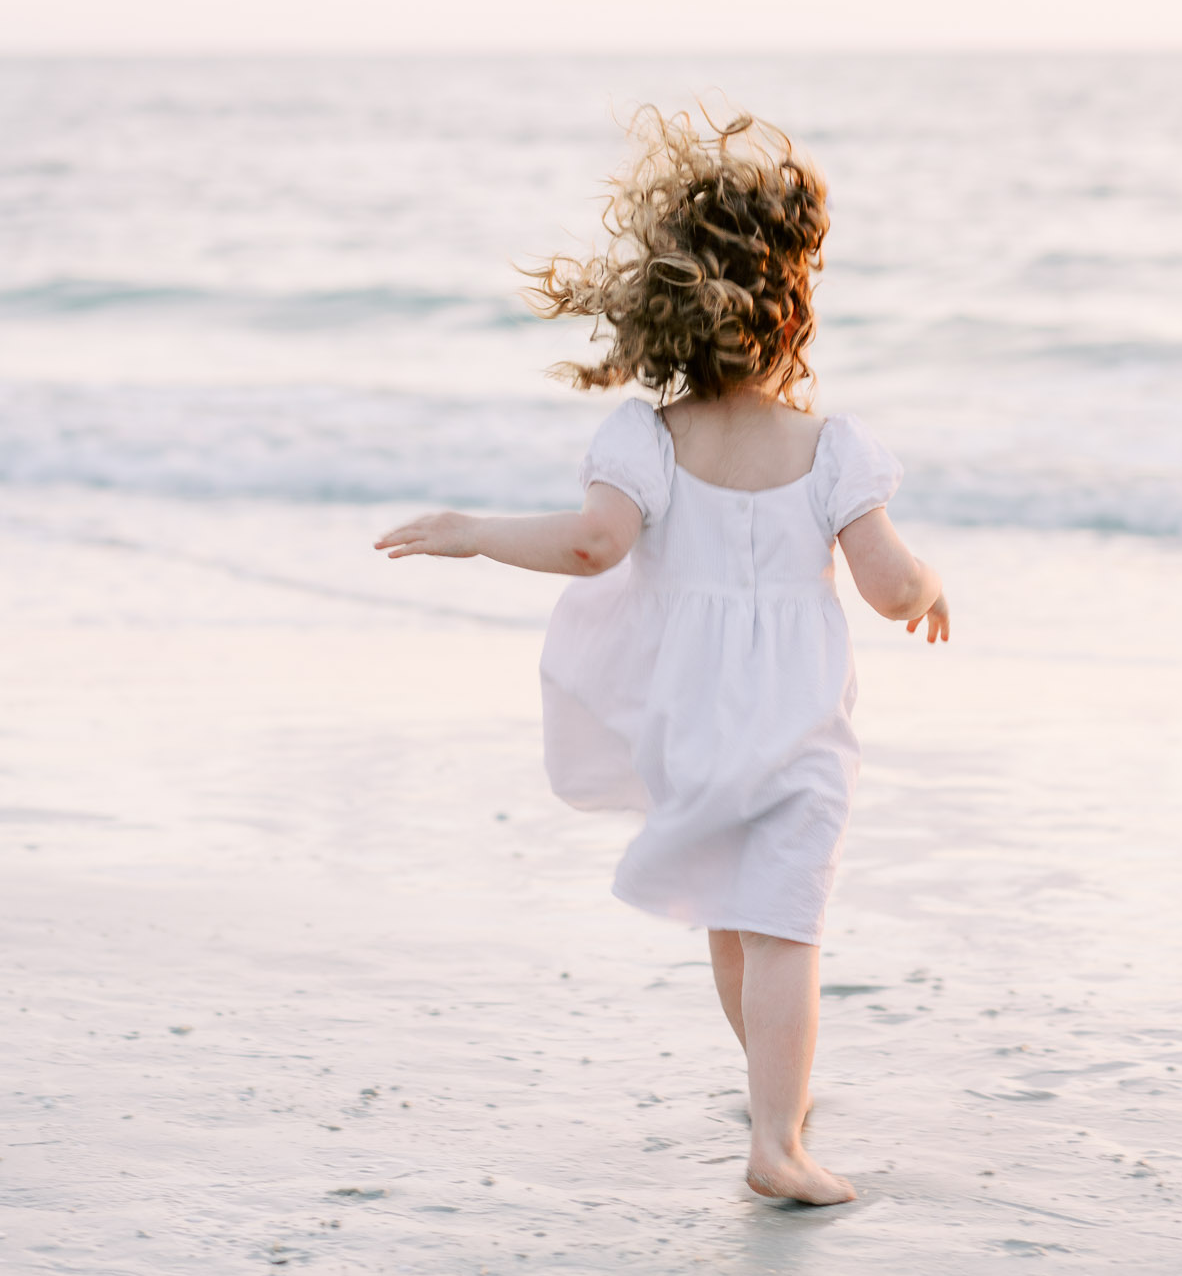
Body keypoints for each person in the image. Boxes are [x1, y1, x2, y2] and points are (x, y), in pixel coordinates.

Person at [376, 109, 949, 1205]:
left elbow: (595, 546)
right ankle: (776, 1141)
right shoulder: (834, 450)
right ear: (794, 314)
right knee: (788, 926)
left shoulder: (645, 438)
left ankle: (773, 1092)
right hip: (796, 739)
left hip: (690, 726)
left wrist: (476, 532)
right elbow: (886, 585)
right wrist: (925, 588)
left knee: (740, 925)